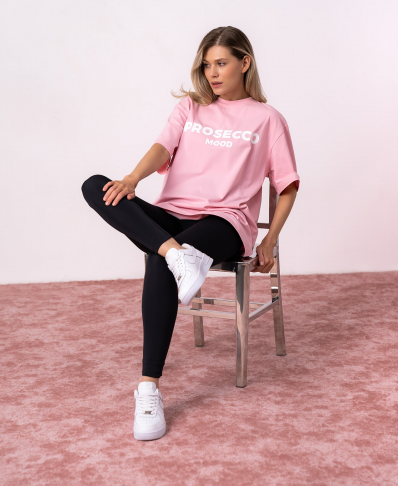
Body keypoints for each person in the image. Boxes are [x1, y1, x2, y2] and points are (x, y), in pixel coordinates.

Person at [81, 26, 300, 441]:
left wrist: (269, 240)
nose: (212, 73)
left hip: (225, 222)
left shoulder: (268, 119)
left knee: (157, 259)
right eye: (207, 64)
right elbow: (162, 148)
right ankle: (175, 254)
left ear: (244, 63)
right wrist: (132, 180)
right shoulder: (191, 107)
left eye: (221, 63)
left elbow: (286, 185)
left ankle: (148, 387)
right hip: (172, 216)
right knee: (96, 186)